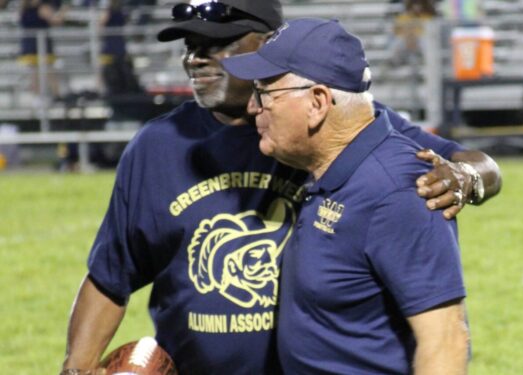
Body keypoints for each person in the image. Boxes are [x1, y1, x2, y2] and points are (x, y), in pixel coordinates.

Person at [60, 0, 500, 374]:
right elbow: (111, 273)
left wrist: (467, 178)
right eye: (191, 46)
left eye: (217, 44)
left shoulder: (342, 128)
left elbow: (467, 165)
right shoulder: (157, 146)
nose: (196, 58)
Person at [223, 18, 469, 374]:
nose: (252, 107)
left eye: (263, 93)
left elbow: (445, 341)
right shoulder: (336, 166)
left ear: (317, 102)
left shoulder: (397, 191)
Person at [18, 0, 67, 97]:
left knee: (37, 74)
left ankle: (40, 98)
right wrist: (64, 11)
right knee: (48, 73)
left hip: (30, 44)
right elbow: (56, 21)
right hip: (40, 44)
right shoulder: (41, 7)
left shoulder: (24, 7)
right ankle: (55, 97)